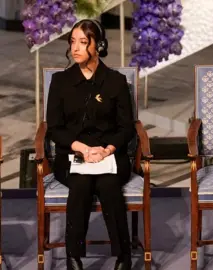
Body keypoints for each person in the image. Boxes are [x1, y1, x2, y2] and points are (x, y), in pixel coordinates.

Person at [46, 19, 134, 270]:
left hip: (110, 155)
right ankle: (73, 256)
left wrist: (107, 149)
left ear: (99, 46)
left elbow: (126, 127)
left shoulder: (115, 81)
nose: (75, 48)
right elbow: (54, 128)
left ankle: (123, 256)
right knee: (82, 183)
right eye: (72, 42)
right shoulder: (61, 82)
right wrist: (81, 148)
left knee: (108, 185)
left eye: (83, 42)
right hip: (72, 155)